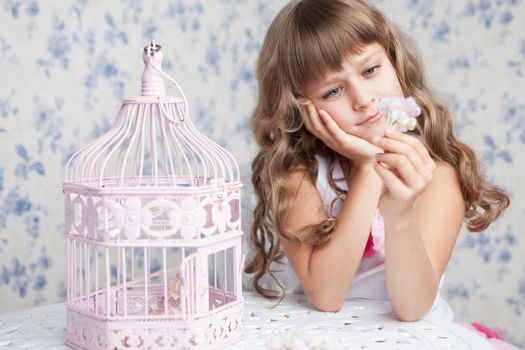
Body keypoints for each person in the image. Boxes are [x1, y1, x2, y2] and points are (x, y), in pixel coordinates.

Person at [244, 0, 517, 348]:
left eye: (370, 70)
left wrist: (399, 211)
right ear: (303, 109)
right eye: (333, 91)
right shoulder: (298, 176)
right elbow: (326, 295)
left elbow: (412, 306)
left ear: (395, 62)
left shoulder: (436, 174)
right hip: (325, 336)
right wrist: (368, 167)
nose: (362, 98)